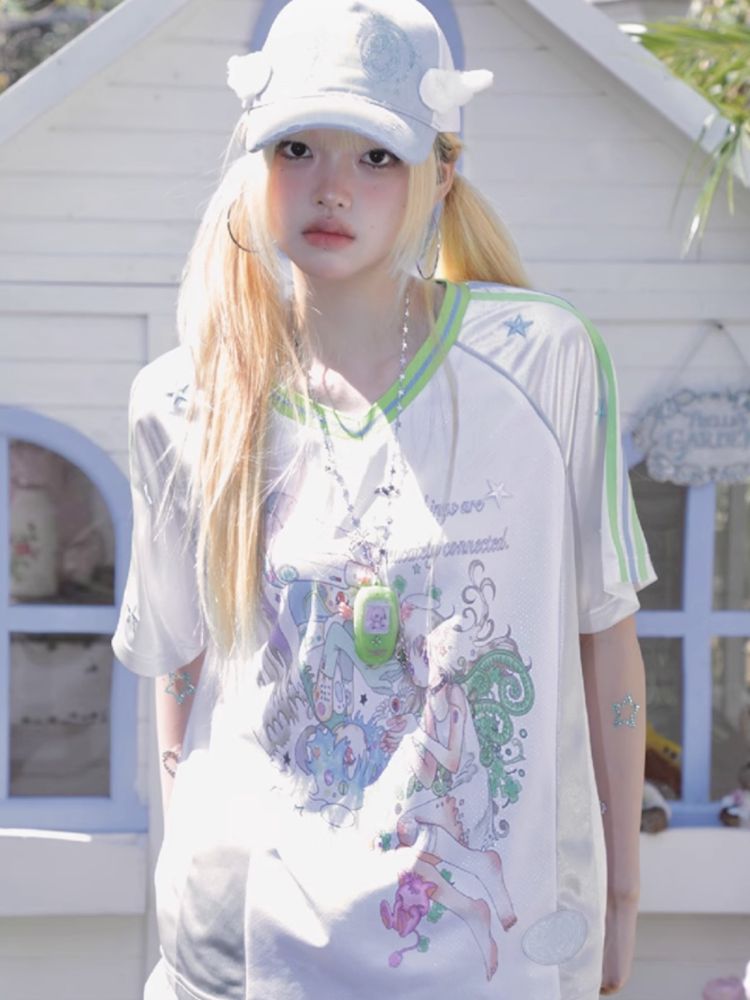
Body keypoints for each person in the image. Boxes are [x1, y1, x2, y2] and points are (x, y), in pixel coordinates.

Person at [111, 1, 657, 997]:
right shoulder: (184, 401)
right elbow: (180, 672)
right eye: (297, 148)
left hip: (486, 965)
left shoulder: (542, 365)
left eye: (376, 157)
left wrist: (620, 901)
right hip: (242, 957)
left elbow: (605, 639)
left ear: (440, 172)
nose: (331, 187)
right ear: (255, 159)